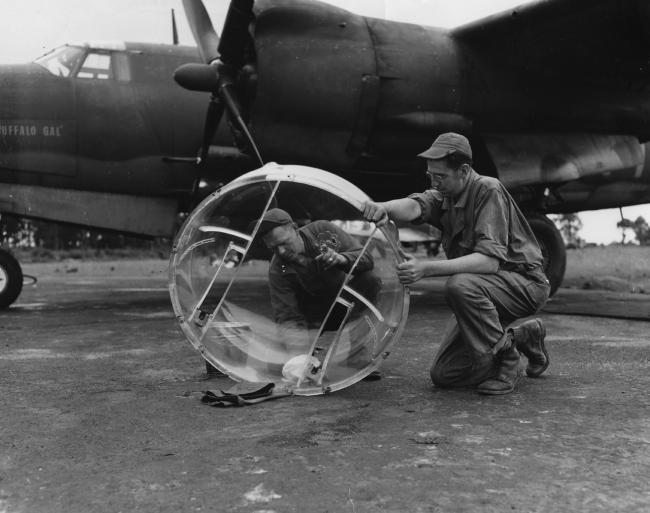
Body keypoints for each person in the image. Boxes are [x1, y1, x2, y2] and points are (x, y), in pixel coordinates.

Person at [362, 132, 551, 395]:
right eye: (431, 176)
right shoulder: (447, 194)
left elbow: (488, 262)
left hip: (523, 284)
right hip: (486, 289)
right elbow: (416, 206)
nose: (434, 182)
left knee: (460, 286)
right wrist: (383, 207)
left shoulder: (488, 189)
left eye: (440, 176)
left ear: (463, 170)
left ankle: (509, 358)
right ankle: (523, 337)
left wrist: (426, 268)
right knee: (445, 374)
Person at [258, 208, 382, 379]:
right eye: (274, 248)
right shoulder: (278, 270)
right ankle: (306, 354)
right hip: (310, 318)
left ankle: (357, 357)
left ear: (295, 229)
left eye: (284, 243)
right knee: (274, 366)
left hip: (343, 305)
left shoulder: (322, 231)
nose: (281, 252)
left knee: (370, 279)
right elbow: (287, 316)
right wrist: (301, 360)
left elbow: (366, 258)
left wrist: (343, 259)